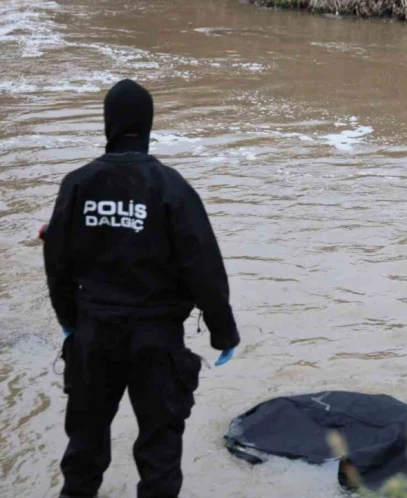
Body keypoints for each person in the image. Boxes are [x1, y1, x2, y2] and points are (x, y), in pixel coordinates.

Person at [43, 79, 240, 498]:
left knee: (83, 451)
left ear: (108, 125)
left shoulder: (77, 184)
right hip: (157, 341)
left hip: (93, 337)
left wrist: (69, 322)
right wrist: (224, 333)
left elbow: (56, 260)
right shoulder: (173, 188)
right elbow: (203, 266)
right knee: (160, 456)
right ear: (147, 126)